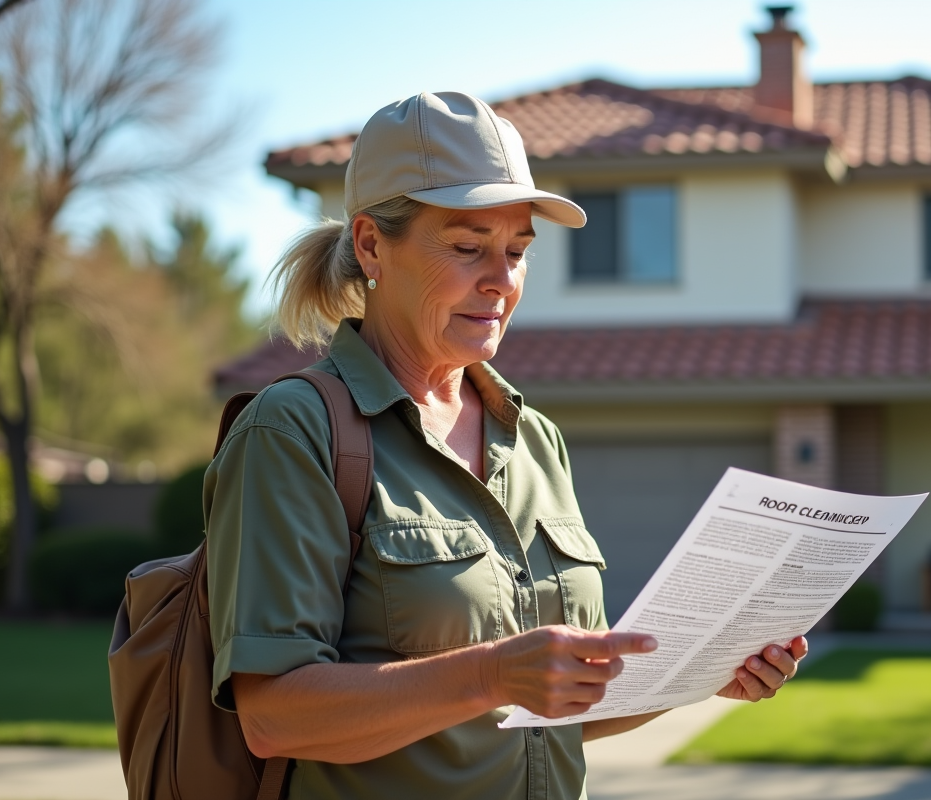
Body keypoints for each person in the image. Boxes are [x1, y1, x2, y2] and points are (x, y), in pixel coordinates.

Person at [205, 91, 808, 800]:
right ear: (371, 245)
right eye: (467, 248)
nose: (501, 281)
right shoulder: (295, 430)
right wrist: (490, 674)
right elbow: (275, 716)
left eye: (517, 251)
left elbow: (560, 710)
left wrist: (702, 672)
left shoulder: (535, 440)